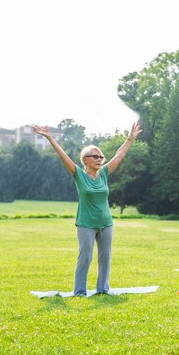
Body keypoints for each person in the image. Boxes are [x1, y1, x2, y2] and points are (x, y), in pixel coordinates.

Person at [33, 122, 142, 296]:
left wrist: (130, 138)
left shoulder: (104, 173)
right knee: (85, 257)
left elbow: (119, 156)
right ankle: (79, 291)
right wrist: (50, 137)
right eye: (95, 156)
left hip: (106, 223)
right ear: (85, 160)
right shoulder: (79, 175)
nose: (99, 159)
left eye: (101, 157)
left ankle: (103, 290)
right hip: (86, 224)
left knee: (105, 257)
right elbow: (63, 157)